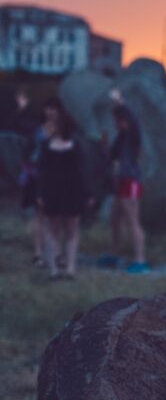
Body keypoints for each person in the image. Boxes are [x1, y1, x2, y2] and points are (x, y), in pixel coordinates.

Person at [36, 98, 95, 280]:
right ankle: (54, 269)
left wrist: (87, 193)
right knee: (52, 230)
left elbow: (82, 171)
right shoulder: (46, 146)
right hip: (52, 192)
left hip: (72, 192)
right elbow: (42, 171)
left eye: (56, 123)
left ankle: (70, 269)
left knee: (72, 230)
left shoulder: (75, 145)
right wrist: (40, 193)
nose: (52, 126)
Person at [99, 97, 149, 273]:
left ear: (123, 120)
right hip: (120, 182)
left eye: (117, 120)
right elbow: (111, 157)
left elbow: (134, 122)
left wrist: (121, 103)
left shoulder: (132, 135)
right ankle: (115, 253)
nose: (115, 123)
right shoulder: (120, 138)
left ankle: (140, 260)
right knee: (115, 220)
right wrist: (104, 146)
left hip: (130, 182)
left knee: (133, 221)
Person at [12, 91, 47, 265]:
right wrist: (21, 108)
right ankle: (38, 251)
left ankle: (48, 250)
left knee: (51, 216)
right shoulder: (36, 131)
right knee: (39, 214)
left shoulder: (63, 132)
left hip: (52, 177)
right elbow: (19, 125)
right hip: (37, 176)